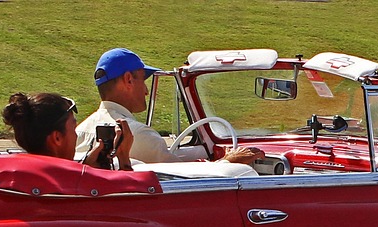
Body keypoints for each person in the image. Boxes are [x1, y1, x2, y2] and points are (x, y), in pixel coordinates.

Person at [74, 48, 261, 165]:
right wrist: (228, 162)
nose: (146, 91)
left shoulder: (79, 132)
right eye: (143, 80)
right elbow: (188, 181)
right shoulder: (138, 134)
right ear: (128, 79)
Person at [3, 92, 133, 170]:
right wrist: (124, 159)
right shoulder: (72, 186)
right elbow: (128, 204)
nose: (75, 134)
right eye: (73, 126)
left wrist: (85, 167)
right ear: (57, 138)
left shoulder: (11, 174)